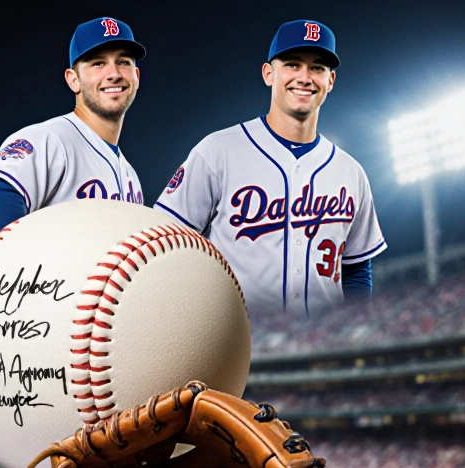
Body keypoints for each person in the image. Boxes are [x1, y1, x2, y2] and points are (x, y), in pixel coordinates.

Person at [154, 20, 386, 317]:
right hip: (237, 344)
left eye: (317, 68)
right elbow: (163, 242)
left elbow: (357, 270)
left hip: (328, 348)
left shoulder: (351, 172)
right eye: (292, 64)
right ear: (268, 74)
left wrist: (357, 329)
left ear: (331, 80)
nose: (304, 77)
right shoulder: (218, 151)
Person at [0, 17, 146, 235]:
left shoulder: (131, 177)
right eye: (98, 63)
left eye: (124, 62)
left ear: (136, 76)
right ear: (73, 80)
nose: (114, 74)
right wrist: (41, 261)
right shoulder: (50, 138)